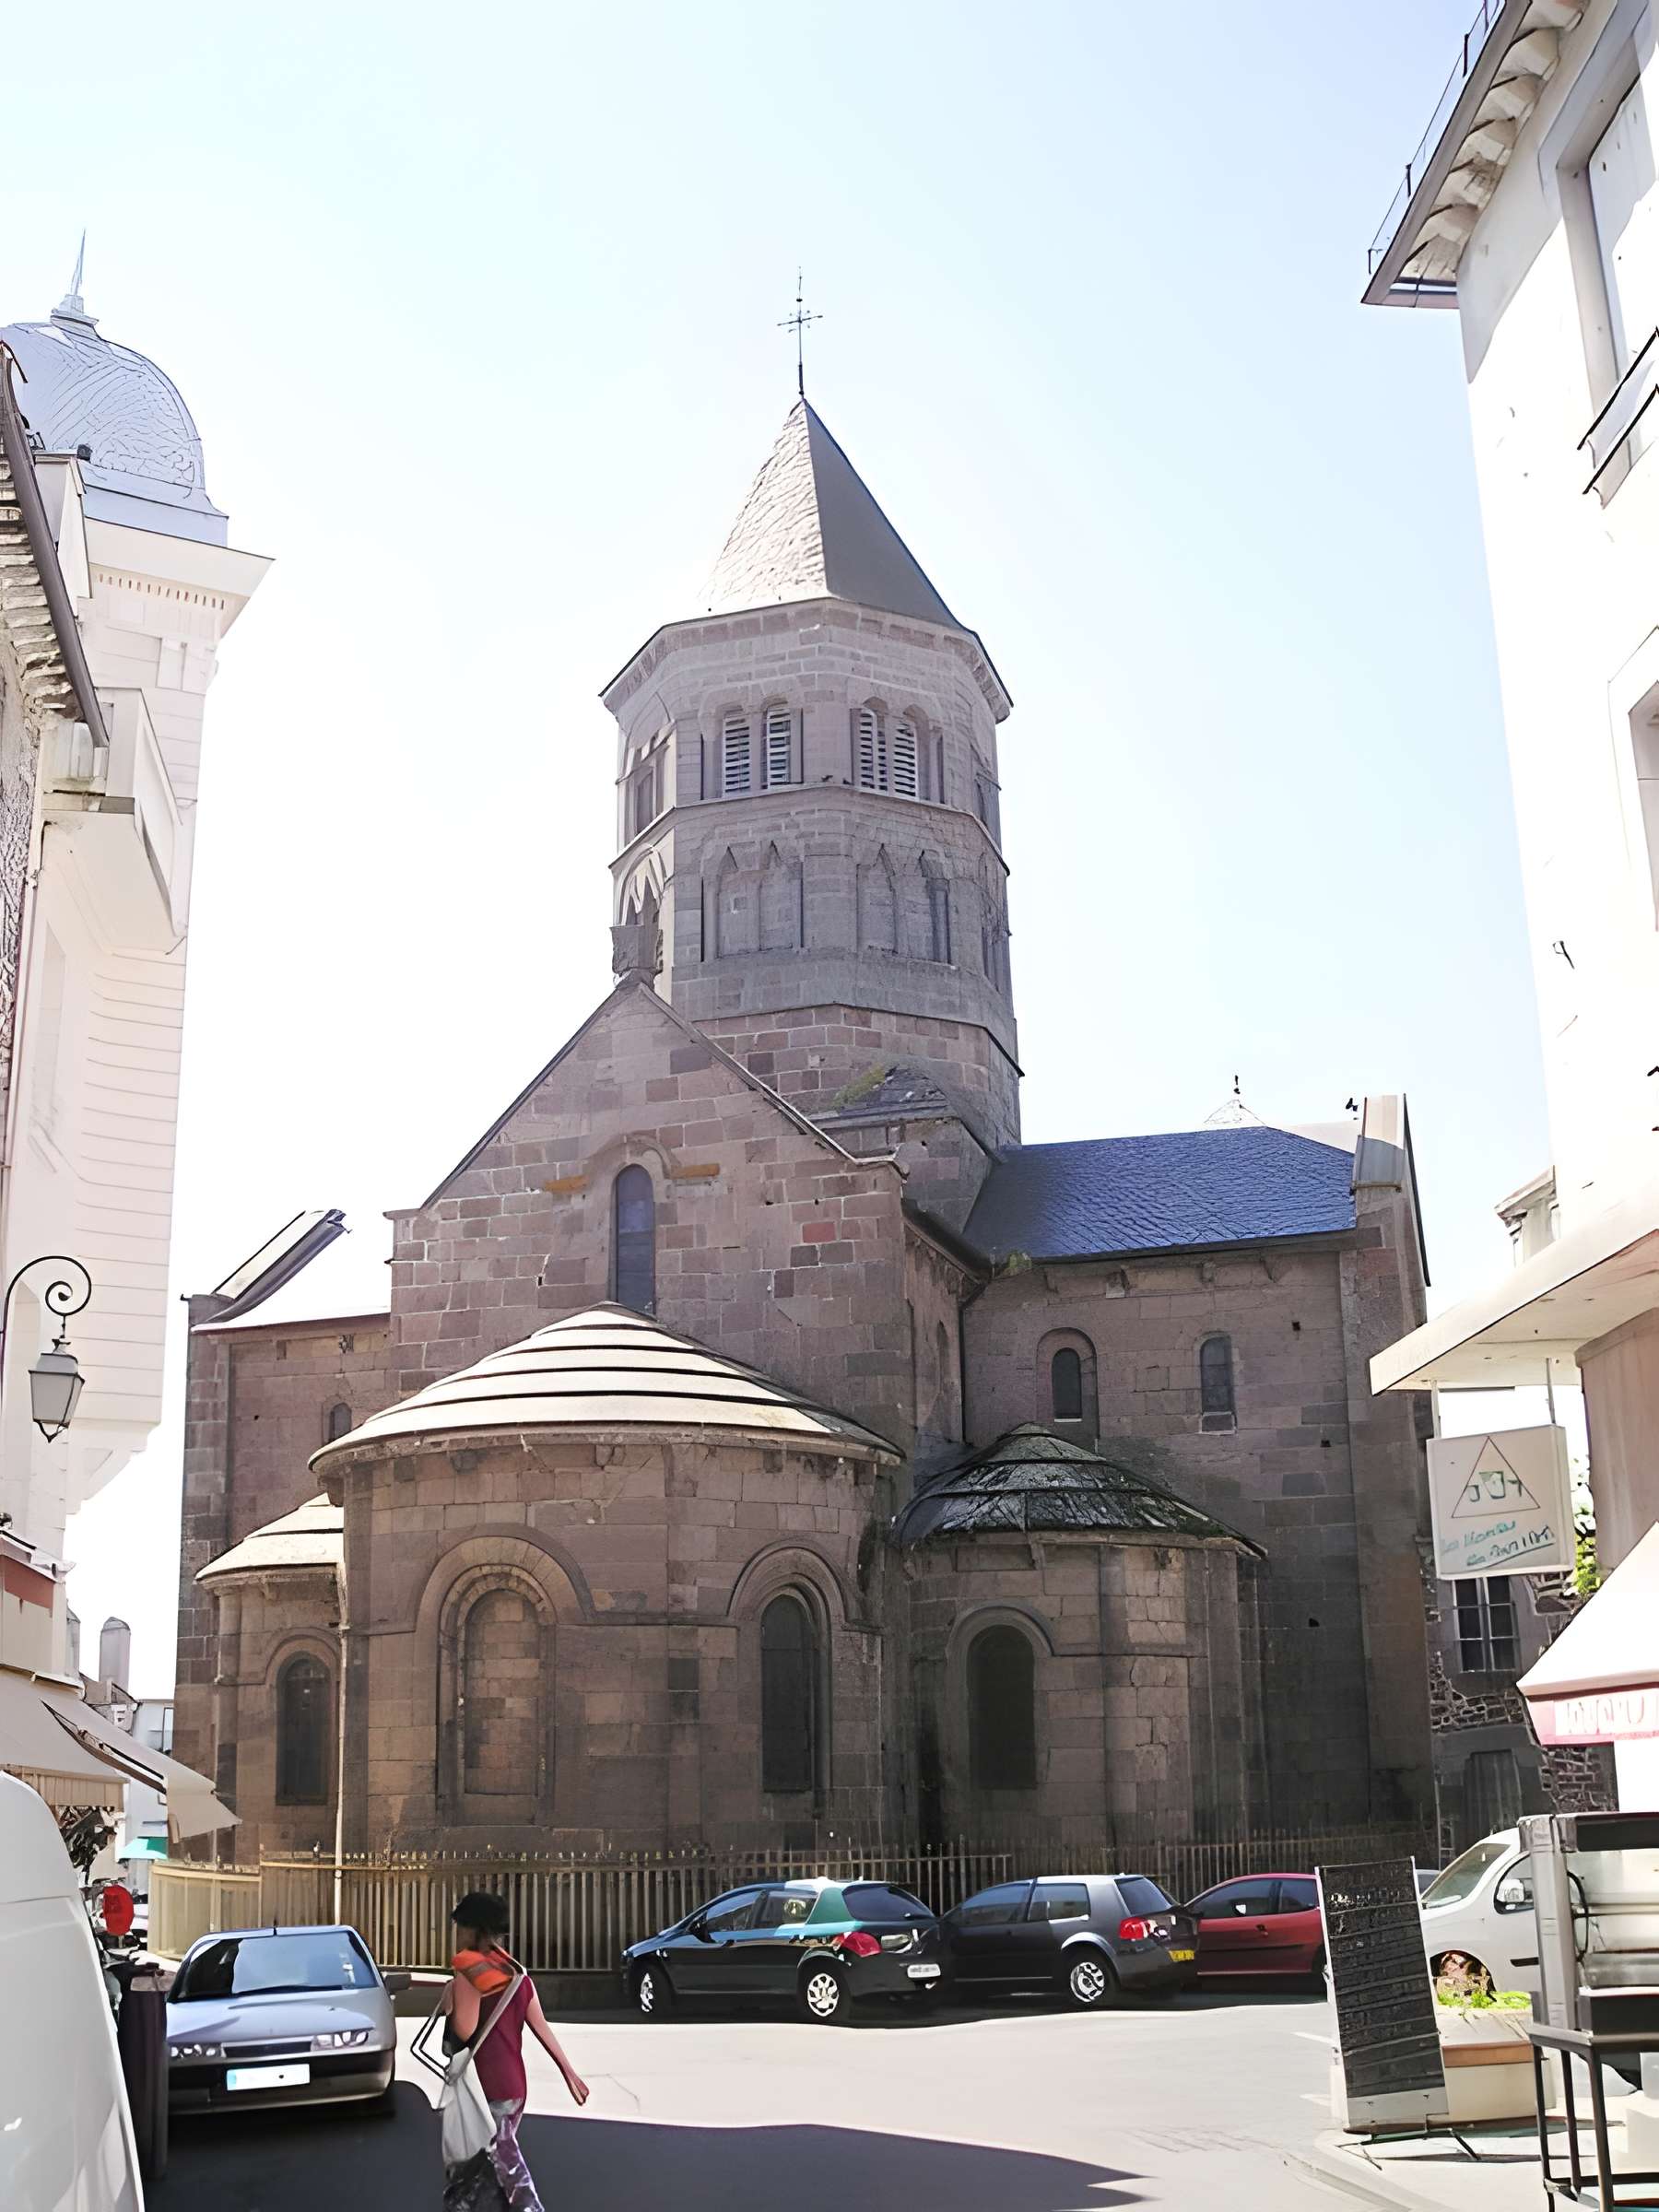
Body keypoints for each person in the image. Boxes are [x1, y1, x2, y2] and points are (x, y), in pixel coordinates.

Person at [445, 1891, 589, 2211]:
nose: (457, 1934)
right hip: (515, 2087)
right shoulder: (517, 1973)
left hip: (486, 2086)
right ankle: (464, 2201)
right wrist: (570, 2073)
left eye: (460, 1927)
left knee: (503, 2161)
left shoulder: (469, 1970)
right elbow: (540, 2025)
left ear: (474, 1930)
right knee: (492, 2156)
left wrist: (450, 2003)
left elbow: (464, 2030)